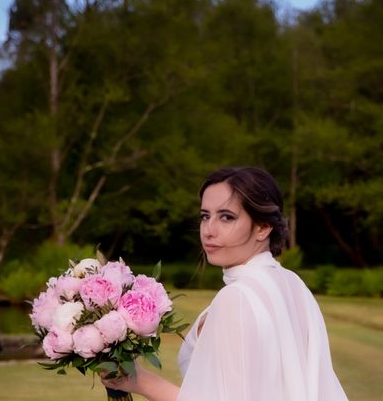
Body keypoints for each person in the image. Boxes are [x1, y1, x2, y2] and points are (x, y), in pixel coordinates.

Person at [101, 166, 349, 401]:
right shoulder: (293, 283)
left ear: (263, 227)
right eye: (205, 216)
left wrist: (141, 381)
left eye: (227, 217)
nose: (209, 230)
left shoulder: (237, 297)